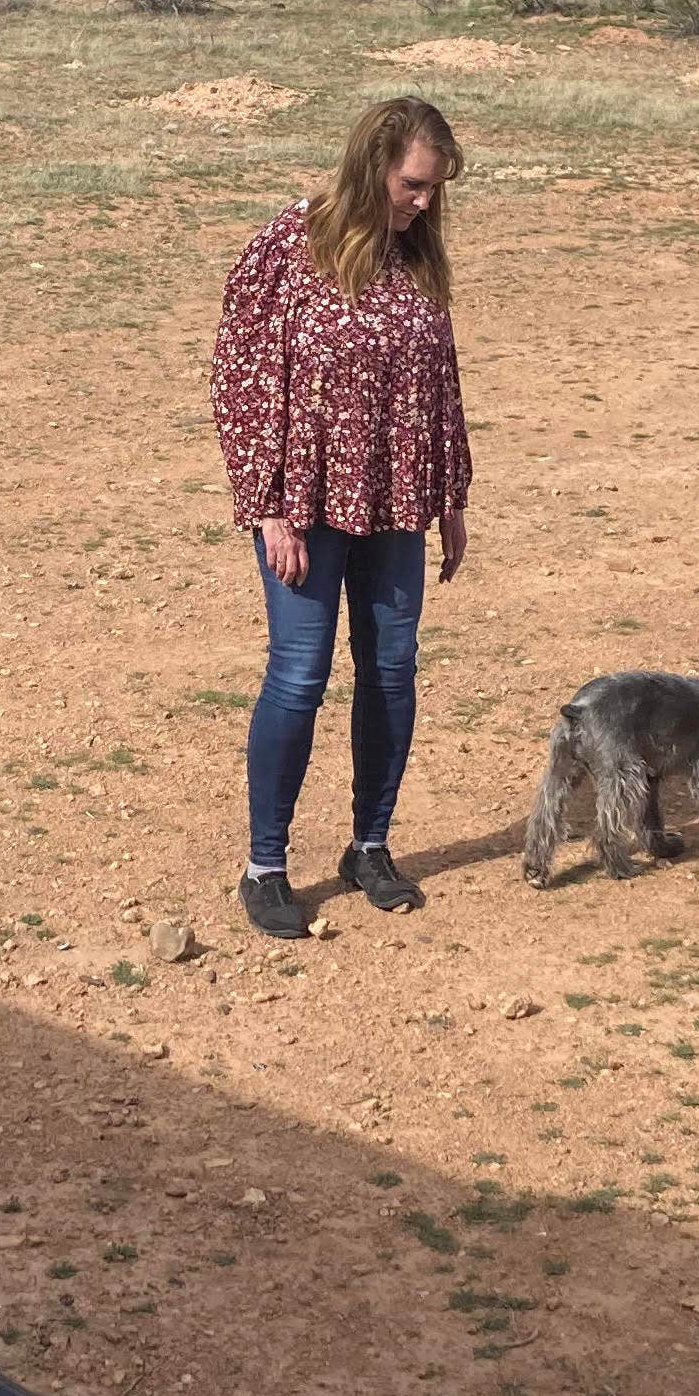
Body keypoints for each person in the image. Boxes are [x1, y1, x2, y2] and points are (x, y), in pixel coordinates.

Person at [207, 95, 472, 939]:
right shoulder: (294, 242)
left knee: (392, 667)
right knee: (300, 672)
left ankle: (369, 845)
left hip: (396, 499)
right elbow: (241, 378)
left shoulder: (416, 256)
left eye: (434, 189)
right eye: (412, 185)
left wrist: (453, 493)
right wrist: (268, 504)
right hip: (306, 502)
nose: (424, 201)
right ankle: (267, 865)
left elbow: (441, 375)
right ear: (372, 167)